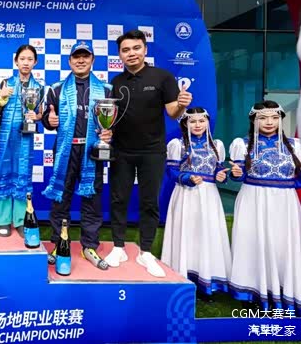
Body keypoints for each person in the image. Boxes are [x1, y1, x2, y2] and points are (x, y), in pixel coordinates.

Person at [106, 29, 192, 277]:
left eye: (136, 48)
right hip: (121, 151)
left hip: (152, 151)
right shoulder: (115, 82)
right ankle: (118, 247)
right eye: (125, 50)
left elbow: (173, 113)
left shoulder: (163, 77)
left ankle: (145, 252)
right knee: (118, 199)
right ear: (120, 54)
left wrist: (181, 105)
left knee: (149, 202)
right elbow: (110, 116)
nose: (131, 53)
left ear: (145, 49)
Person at [41, 41, 112, 270]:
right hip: (65, 151)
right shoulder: (57, 89)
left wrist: (109, 131)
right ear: (69, 61)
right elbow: (47, 119)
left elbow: (112, 122)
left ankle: (89, 245)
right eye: (76, 57)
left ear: (92, 60)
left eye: (85, 56)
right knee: (60, 200)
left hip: (92, 152)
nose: (81, 60)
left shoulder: (106, 90)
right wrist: (49, 120)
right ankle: (58, 242)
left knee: (92, 199)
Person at [228, 100, 301, 311]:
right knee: (253, 244)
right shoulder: (242, 144)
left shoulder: (295, 146)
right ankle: (252, 294)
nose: (269, 122)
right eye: (263, 118)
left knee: (283, 247)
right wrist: (235, 173)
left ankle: (285, 293)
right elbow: (237, 175)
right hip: (253, 201)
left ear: (281, 120)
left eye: (274, 118)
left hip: (285, 203)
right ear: (254, 120)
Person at [161, 107, 231, 298]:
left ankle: (207, 281)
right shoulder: (178, 145)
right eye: (193, 121)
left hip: (209, 196)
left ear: (207, 122)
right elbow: (172, 171)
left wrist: (221, 175)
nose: (198, 125)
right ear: (185, 124)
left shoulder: (216, 145)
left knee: (207, 234)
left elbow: (219, 170)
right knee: (187, 232)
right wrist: (187, 178)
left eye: (201, 121)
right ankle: (183, 276)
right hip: (186, 194)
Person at [0, 44, 43, 237]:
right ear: (16, 61)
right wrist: (0, 97)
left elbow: (41, 114)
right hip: (6, 139)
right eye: (22, 59)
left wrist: (37, 116)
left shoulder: (39, 88)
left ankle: (21, 219)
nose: (26, 63)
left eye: (30, 59)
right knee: (3, 172)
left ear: (35, 62)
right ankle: (2, 220)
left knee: (23, 174)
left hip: (25, 139)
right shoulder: (6, 83)